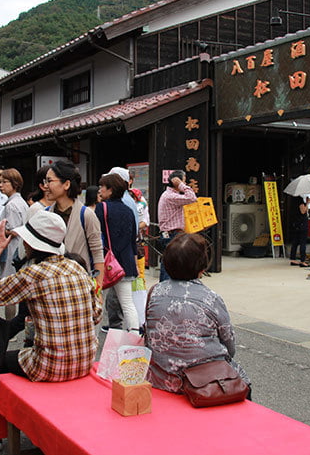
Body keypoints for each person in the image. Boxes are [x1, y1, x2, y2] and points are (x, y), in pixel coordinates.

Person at [0, 213, 102, 451]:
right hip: (85, 361)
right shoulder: (77, 267)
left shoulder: (34, 274)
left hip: (49, 365)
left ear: (31, 244)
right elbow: (97, 314)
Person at [144, 232, 249, 394]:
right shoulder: (210, 299)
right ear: (202, 267)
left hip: (161, 377)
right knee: (243, 381)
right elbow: (229, 346)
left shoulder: (155, 292)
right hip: (204, 383)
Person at [43, 160, 104, 286]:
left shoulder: (86, 215)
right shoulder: (45, 215)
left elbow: (97, 253)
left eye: (49, 181)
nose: (46, 186)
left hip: (78, 284)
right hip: (50, 285)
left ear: (66, 184)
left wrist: (97, 289)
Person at [95, 173, 139, 332]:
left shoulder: (102, 207)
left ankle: (91, 340)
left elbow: (95, 235)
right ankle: (134, 336)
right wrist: (134, 264)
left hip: (105, 262)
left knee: (97, 302)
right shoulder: (128, 210)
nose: (100, 190)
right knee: (128, 304)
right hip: (125, 263)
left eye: (102, 187)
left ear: (110, 190)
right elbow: (132, 240)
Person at [0, 168, 29, 319]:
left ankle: (9, 325)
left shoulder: (12, 205)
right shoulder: (21, 202)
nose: (0, 185)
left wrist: (0, 229)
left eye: (4, 182)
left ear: (14, 184)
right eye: (0, 182)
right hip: (20, 250)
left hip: (12, 250)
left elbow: (16, 230)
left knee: (10, 290)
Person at [157, 170, 197, 282]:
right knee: (170, 266)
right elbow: (192, 198)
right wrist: (181, 185)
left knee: (169, 264)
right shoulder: (171, 196)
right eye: (184, 181)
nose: (185, 184)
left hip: (170, 235)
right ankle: (166, 291)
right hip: (172, 235)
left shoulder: (168, 195)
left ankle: (165, 291)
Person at [289, 197, 310, 267]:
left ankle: (293, 259)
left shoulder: (292, 200)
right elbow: (303, 211)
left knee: (295, 242)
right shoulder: (299, 200)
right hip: (302, 224)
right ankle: (303, 260)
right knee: (302, 242)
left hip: (295, 223)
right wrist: (307, 203)